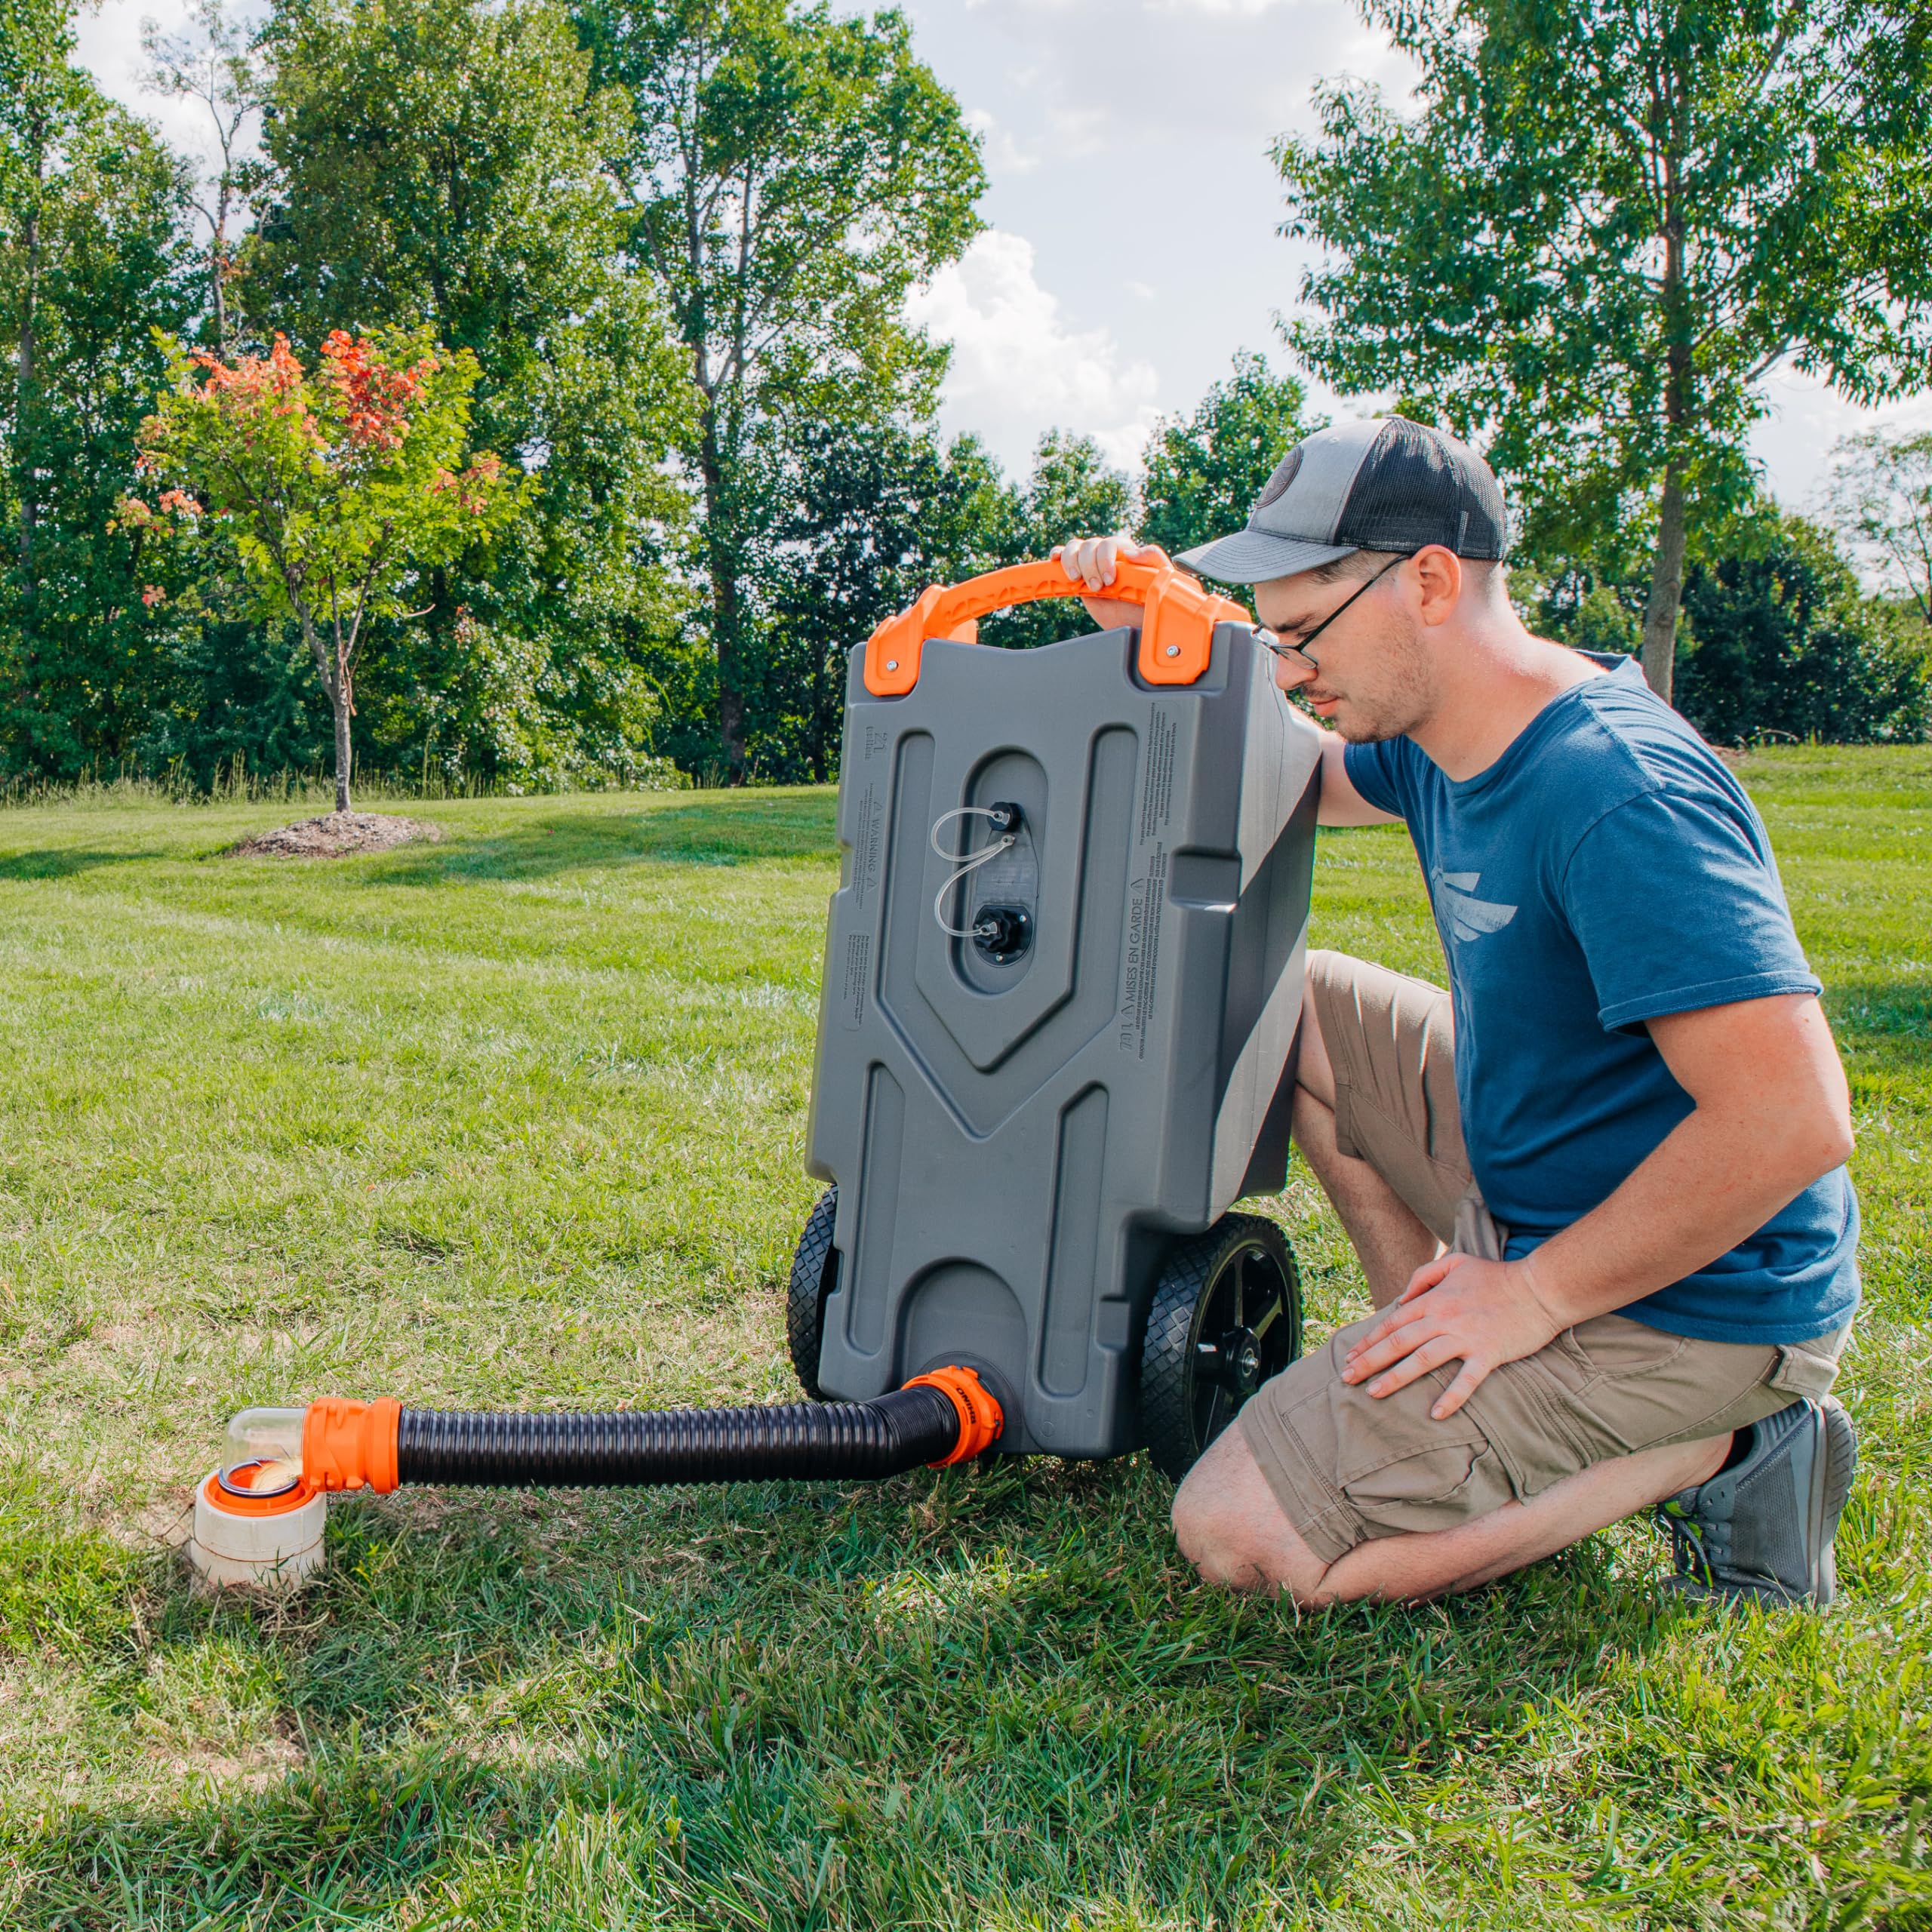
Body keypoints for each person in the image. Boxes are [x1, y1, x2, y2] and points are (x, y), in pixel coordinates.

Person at [1058, 417, 1860, 1610]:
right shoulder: (1445, 733)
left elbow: (1793, 1121)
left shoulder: (1617, 793)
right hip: (1536, 1199)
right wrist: (1166, 632)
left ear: (1429, 580)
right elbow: (1290, 769)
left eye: (1303, 635)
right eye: (1273, 640)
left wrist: (1533, 1298)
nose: (1290, 672)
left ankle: (1728, 1448)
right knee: (1298, 1000)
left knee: (1241, 1536)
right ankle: (1433, 1352)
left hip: (1696, 1297)